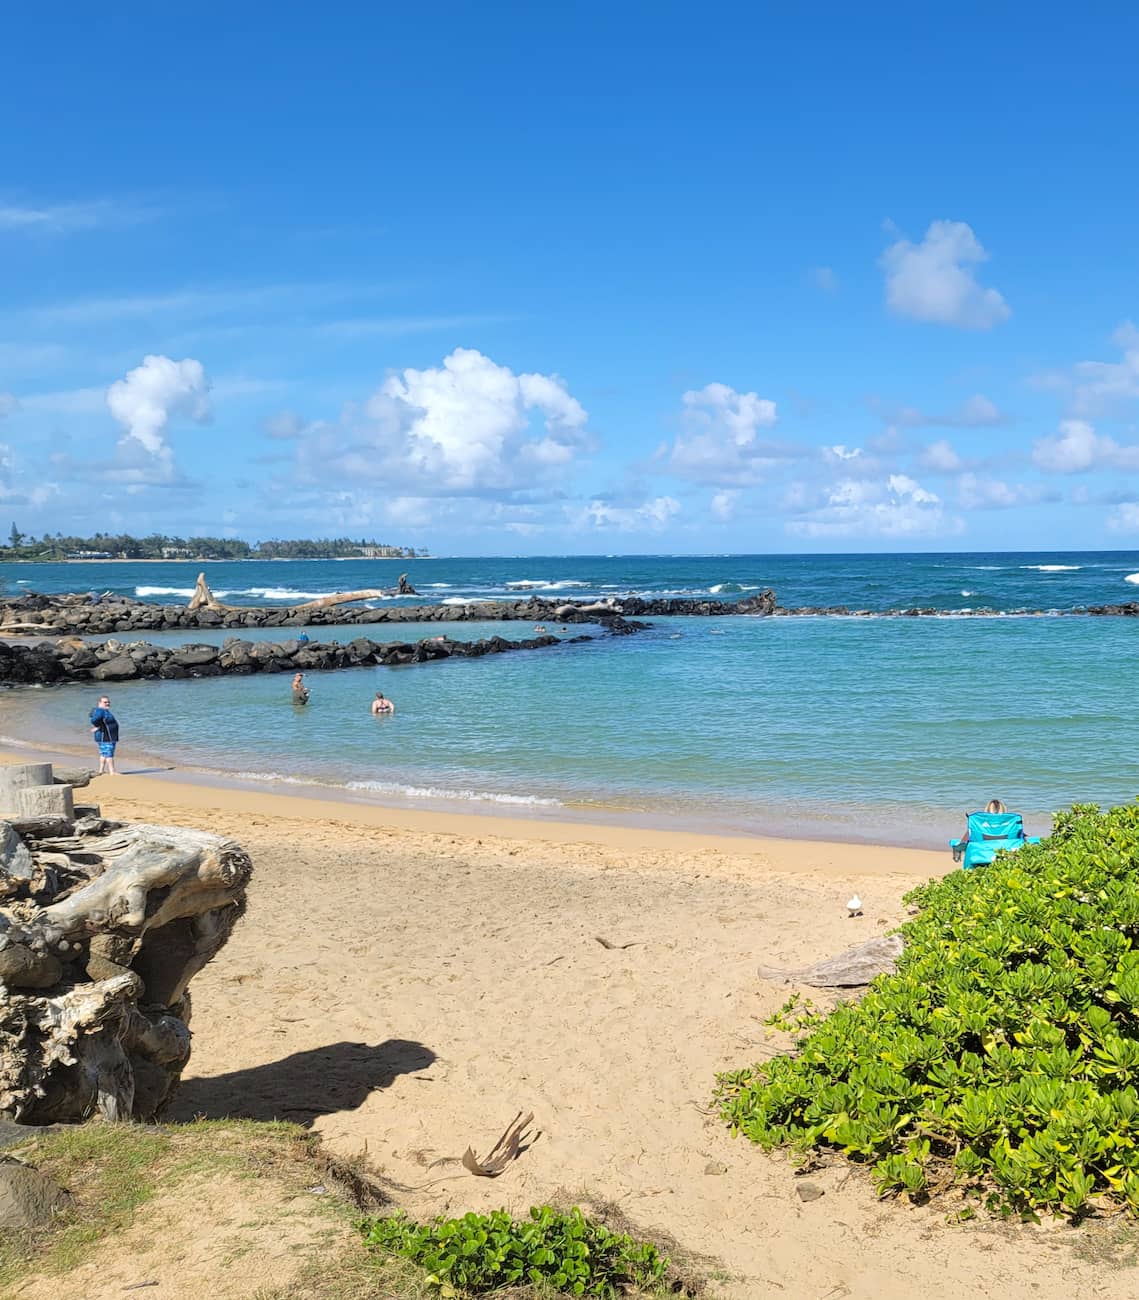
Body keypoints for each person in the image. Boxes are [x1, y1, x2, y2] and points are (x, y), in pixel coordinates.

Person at [89, 695, 119, 775]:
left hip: (105, 736)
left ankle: (101, 770)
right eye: (105, 702)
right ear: (99, 703)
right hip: (106, 737)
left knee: (103, 754)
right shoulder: (100, 711)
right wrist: (98, 726)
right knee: (109, 754)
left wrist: (98, 726)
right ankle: (112, 771)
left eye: (108, 702)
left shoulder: (103, 711)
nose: (107, 703)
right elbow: (94, 720)